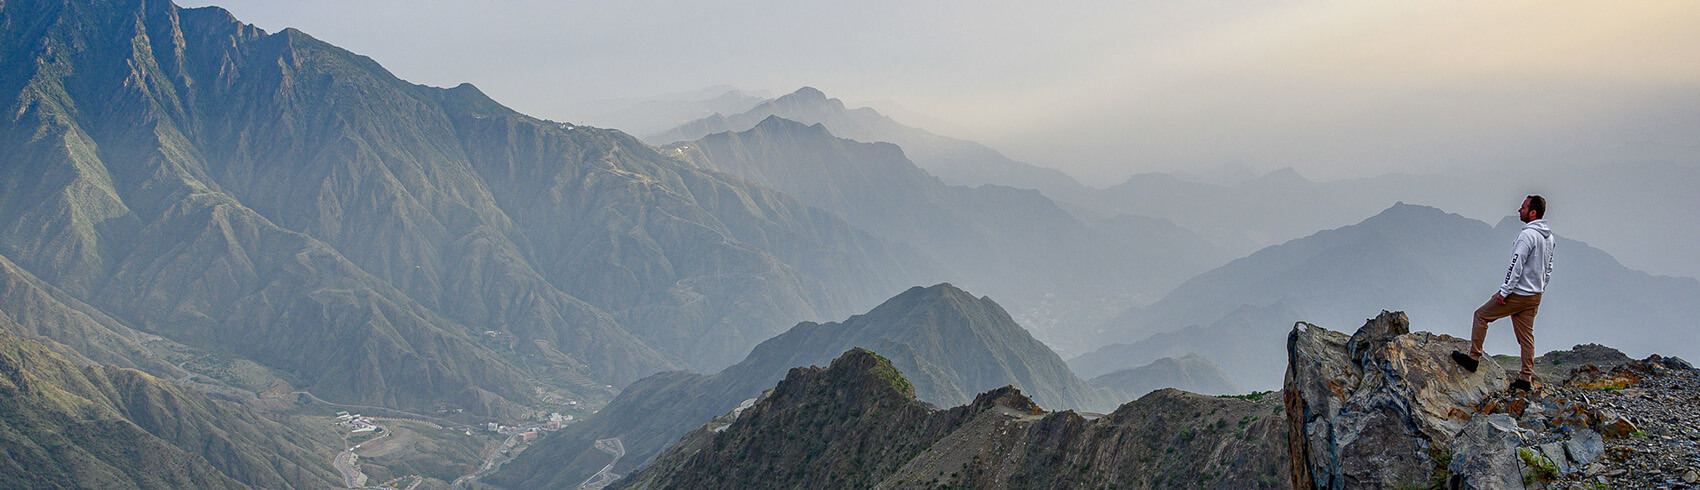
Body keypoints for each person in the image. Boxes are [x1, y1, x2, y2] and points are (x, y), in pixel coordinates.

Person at [1452, 195, 1554, 391]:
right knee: (1527, 338)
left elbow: (1516, 265)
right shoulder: (1548, 237)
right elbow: (1548, 267)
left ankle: (1473, 358)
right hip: (1535, 295)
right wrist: (1541, 287)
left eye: (1523, 208)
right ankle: (1525, 379)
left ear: (1533, 212)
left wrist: (1505, 291)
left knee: (1481, 316)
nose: (1519, 210)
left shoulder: (1527, 236)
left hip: (1518, 293)